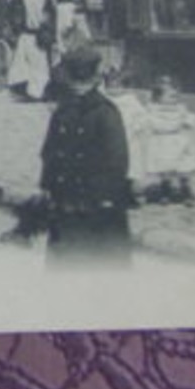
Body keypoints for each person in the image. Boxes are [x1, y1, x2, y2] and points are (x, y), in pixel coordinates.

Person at [39, 45, 131, 265]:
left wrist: (106, 197)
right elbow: (50, 153)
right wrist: (48, 187)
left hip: (96, 206)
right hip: (69, 204)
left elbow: (116, 161)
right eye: (76, 80)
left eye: (83, 81)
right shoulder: (65, 112)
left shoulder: (104, 113)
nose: (79, 86)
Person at [143, 76, 195, 205]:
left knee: (183, 167)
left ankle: (185, 188)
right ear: (158, 98)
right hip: (162, 141)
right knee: (164, 166)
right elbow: (146, 121)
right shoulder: (153, 109)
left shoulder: (180, 109)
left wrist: (188, 123)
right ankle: (165, 188)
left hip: (178, 140)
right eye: (171, 96)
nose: (175, 99)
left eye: (176, 96)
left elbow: (189, 118)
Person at [7, 0, 54, 101]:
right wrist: (17, 25)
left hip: (40, 34)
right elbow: (13, 11)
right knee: (22, 64)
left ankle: (38, 93)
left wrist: (47, 20)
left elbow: (50, 10)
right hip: (25, 33)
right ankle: (24, 91)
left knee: (40, 65)